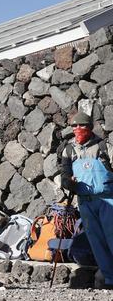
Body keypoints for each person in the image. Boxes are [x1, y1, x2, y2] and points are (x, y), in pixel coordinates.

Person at [59, 112, 113, 288]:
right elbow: (65, 175)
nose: (77, 129)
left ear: (89, 128)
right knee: (97, 242)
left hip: (107, 199)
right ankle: (109, 279)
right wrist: (69, 183)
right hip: (85, 202)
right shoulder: (68, 150)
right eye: (74, 126)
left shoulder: (103, 147)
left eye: (81, 126)